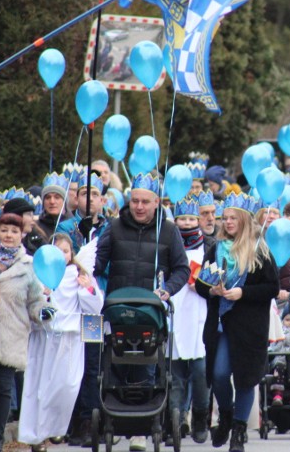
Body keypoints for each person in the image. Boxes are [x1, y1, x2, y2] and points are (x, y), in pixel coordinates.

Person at [94, 172, 189, 452]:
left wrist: (167, 290)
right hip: (118, 309)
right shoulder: (114, 226)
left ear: (156, 202)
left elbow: (182, 269)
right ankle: (116, 418)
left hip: (151, 311)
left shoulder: (169, 231)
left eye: (145, 202)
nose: (139, 207)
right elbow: (98, 262)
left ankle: (143, 429)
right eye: (134, 201)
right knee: (117, 363)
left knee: (148, 364)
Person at [195, 193, 279, 452]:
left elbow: (272, 287)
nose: (228, 222)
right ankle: (227, 415)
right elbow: (201, 284)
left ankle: (239, 432)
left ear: (244, 220)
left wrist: (243, 293)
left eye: (233, 218)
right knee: (219, 375)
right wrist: (212, 291)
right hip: (221, 324)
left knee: (245, 379)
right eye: (225, 218)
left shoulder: (259, 249)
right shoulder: (216, 249)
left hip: (249, 326)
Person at [18, 233, 103, 452]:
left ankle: (56, 425)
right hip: (45, 337)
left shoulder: (79, 274)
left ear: (71, 254)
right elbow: (32, 305)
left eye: (65, 251)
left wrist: (87, 289)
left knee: (67, 384)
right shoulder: (40, 274)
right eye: (57, 251)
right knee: (40, 385)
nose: (61, 256)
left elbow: (94, 307)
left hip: (70, 337)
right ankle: (36, 434)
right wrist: (43, 295)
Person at [0, 213, 49, 452]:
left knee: (3, 387)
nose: (8, 235)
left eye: (14, 231)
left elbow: (35, 301)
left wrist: (44, 312)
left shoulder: (29, 267)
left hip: (13, 332)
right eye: (4, 230)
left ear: (22, 235)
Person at [169, 198, 215, 444]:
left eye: (190, 219)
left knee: (200, 371)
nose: (186, 223)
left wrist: (205, 287)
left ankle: (200, 416)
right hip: (176, 312)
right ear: (175, 220)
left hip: (200, 313)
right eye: (182, 219)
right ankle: (174, 420)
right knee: (175, 375)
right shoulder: (168, 244)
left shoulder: (209, 247)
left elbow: (218, 277)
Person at [56, 171, 109, 252]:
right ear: (76, 199)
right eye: (85, 194)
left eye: (95, 194)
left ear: (101, 200)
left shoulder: (108, 229)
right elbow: (65, 256)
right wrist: (80, 235)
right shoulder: (64, 228)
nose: (90, 199)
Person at [39, 173, 70, 240]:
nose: (52, 202)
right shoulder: (36, 228)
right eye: (48, 197)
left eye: (57, 197)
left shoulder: (73, 226)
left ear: (64, 202)